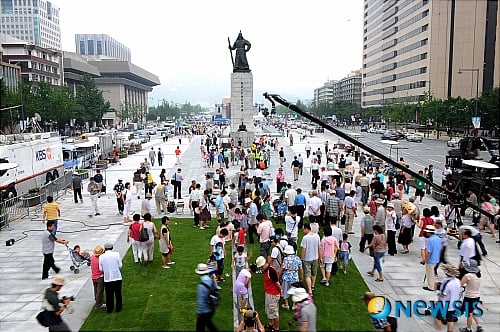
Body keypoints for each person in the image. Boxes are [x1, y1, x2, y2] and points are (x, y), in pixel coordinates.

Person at [255, 256, 281, 332]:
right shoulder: (267, 270)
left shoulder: (271, 271)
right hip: (268, 293)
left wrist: (280, 291)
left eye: (261, 266)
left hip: (273, 294)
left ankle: (276, 328)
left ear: (266, 263)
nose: (261, 268)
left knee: (274, 311)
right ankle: (271, 323)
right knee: (268, 310)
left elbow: (277, 283)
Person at [435, 264, 461, 332]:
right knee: (450, 320)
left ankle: (440, 330)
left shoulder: (447, 283)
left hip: (445, 304)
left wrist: (436, 290)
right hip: (454, 304)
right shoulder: (457, 281)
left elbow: (442, 294)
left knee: (438, 318)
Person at [459, 259, 484, 332]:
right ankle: (479, 325)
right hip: (477, 296)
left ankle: (468, 329)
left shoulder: (468, 276)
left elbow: (460, 284)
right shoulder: (478, 275)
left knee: (469, 313)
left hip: (469, 297)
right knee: (473, 310)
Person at [99, 242, 123, 313]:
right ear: (112, 248)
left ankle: (110, 308)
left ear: (105, 249)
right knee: (118, 293)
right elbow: (120, 265)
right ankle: (119, 308)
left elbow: (101, 269)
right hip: (117, 277)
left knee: (109, 294)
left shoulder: (101, 257)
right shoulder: (116, 254)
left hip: (107, 278)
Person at [195, 263, 218, 332]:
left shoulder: (201, 286)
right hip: (212, 307)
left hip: (204, 311)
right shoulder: (212, 280)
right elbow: (216, 289)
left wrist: (199, 313)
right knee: (209, 325)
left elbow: (201, 301)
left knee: (200, 328)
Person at [300, 223, 321, 295]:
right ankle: (312, 286)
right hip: (315, 257)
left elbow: (304, 249)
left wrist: (301, 258)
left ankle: (309, 290)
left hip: (307, 258)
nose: (303, 231)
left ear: (306, 228)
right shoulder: (317, 236)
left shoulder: (305, 238)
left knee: (307, 274)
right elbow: (319, 248)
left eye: (303, 229)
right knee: (314, 273)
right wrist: (320, 257)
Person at [423, 225, 442, 291]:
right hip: (437, 258)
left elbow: (429, 252)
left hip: (431, 260)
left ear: (429, 233)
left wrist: (425, 259)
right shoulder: (438, 239)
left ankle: (431, 287)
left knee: (430, 274)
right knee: (433, 273)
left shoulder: (430, 240)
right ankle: (434, 285)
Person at [90, 245, 106, 309]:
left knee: (96, 290)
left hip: (93, 277)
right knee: (100, 291)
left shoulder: (92, 257)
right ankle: (98, 304)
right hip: (99, 277)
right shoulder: (100, 260)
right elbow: (102, 269)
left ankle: (97, 300)